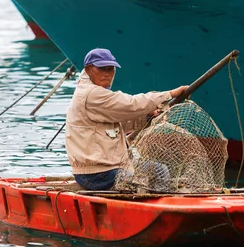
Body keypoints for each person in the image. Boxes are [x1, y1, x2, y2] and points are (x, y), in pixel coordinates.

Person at [65, 48, 187, 191]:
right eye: (101, 68)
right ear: (89, 69)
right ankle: (152, 204)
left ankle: (159, 201)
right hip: (96, 173)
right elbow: (131, 104)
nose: (107, 73)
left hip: (114, 166)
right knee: (135, 181)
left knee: (160, 170)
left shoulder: (98, 94)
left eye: (110, 69)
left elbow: (121, 122)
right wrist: (169, 94)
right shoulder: (91, 93)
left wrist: (147, 116)